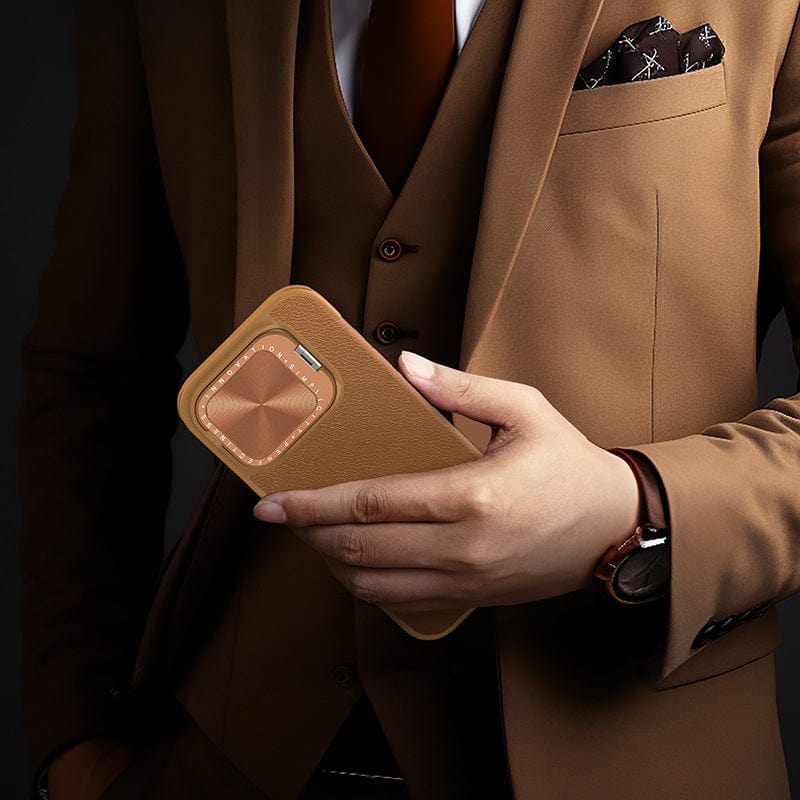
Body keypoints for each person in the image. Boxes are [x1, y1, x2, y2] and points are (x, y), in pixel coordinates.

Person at [17, 0, 800, 798]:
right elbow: (92, 371)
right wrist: (75, 734)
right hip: (226, 753)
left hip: (628, 750)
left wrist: (631, 511)